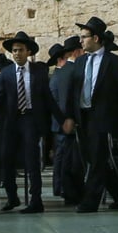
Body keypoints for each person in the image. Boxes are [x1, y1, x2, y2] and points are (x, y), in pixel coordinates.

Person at [0, 31, 63, 214]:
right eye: (14, 51)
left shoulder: (39, 71)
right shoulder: (5, 74)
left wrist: (62, 118)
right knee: (6, 158)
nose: (17, 54)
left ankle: (36, 200)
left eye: (20, 50)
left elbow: (48, 99)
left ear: (28, 52)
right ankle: (12, 197)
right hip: (11, 120)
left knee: (32, 161)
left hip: (30, 118)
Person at [66, 16, 118, 214]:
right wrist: (69, 116)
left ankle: (90, 201)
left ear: (95, 38)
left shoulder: (115, 63)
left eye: (84, 37)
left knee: (96, 158)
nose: (80, 41)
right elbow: (73, 91)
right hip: (82, 116)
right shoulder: (80, 62)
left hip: (103, 117)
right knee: (93, 159)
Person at [48, 36, 83, 205]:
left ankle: (61, 188)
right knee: (66, 159)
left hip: (60, 122)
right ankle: (65, 189)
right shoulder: (68, 72)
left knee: (62, 158)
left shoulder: (59, 73)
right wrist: (68, 119)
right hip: (64, 122)